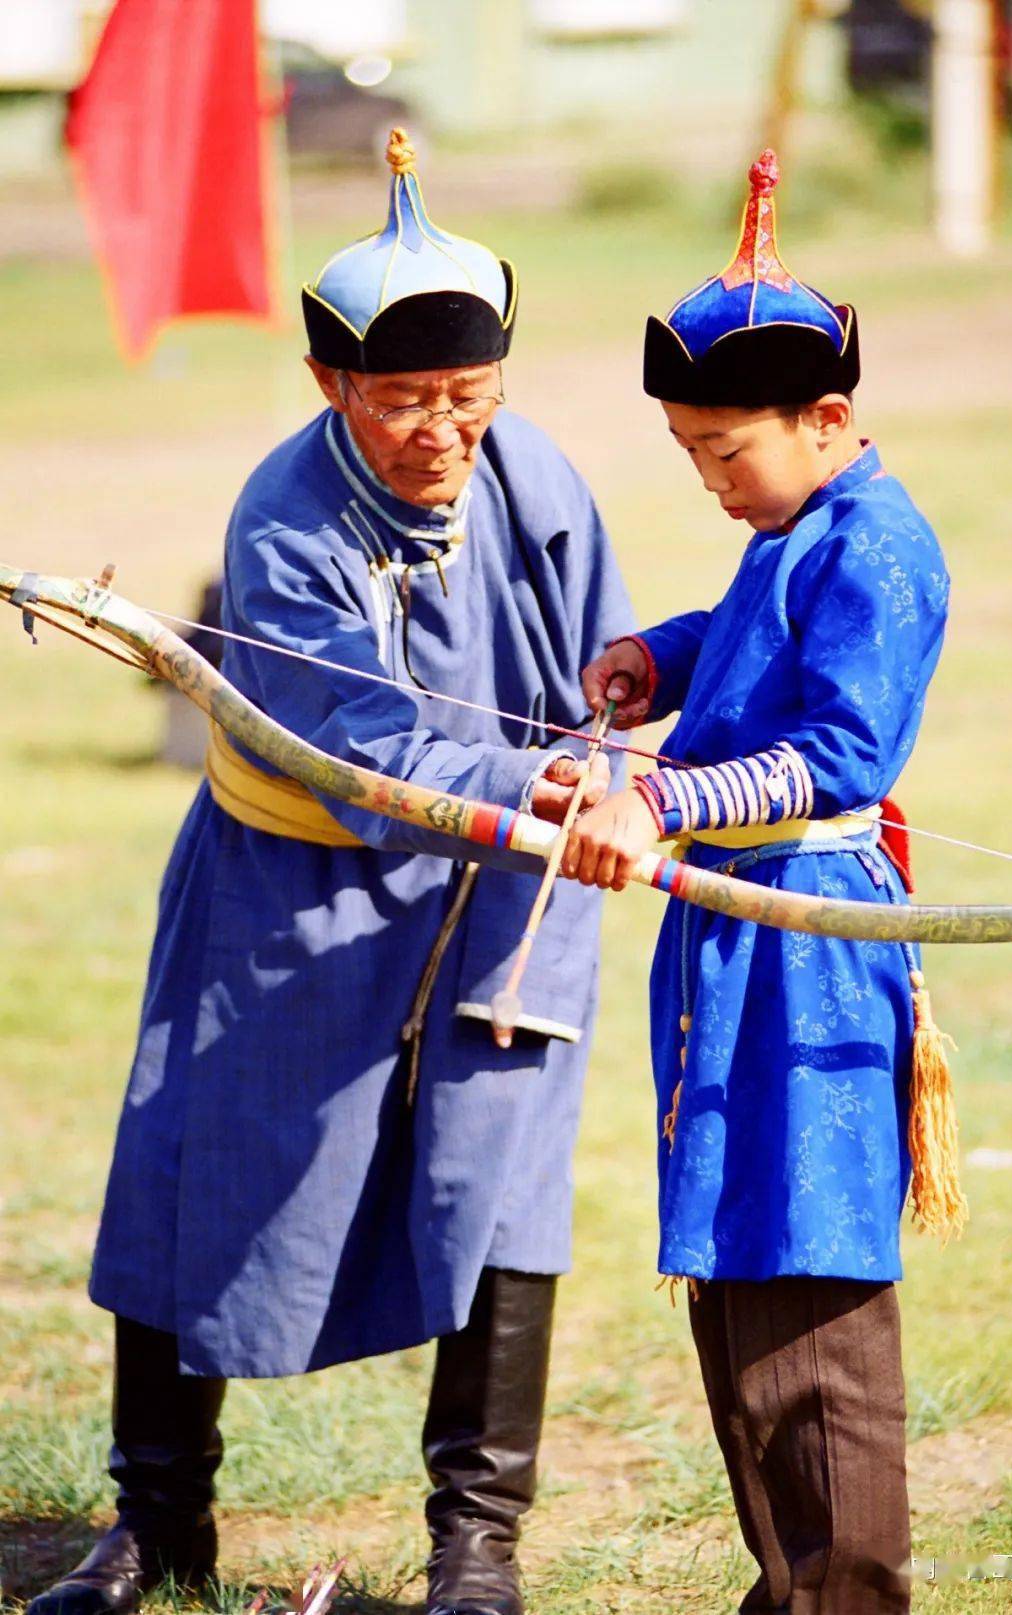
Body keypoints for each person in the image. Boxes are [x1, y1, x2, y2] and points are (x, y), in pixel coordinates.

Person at [30, 131, 632, 1615]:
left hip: (511, 894)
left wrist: (604, 761)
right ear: (331, 386)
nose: (443, 432)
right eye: (405, 401)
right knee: (191, 1175)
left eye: (469, 401)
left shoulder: (534, 467)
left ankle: (474, 1555)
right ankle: (157, 1531)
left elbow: (604, 679)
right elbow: (361, 749)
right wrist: (532, 781)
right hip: (291, 895)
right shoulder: (283, 518)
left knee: (501, 1202)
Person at [563, 150, 962, 1612]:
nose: (711, 478)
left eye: (727, 451)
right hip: (732, 954)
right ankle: (788, 1589)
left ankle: (845, 1595)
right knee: (739, 1283)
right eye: (689, 452)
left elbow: (836, 755)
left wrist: (660, 799)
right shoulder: (798, 529)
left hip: (808, 956)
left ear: (832, 416)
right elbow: (744, 628)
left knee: (811, 1292)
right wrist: (651, 663)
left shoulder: (887, 546)